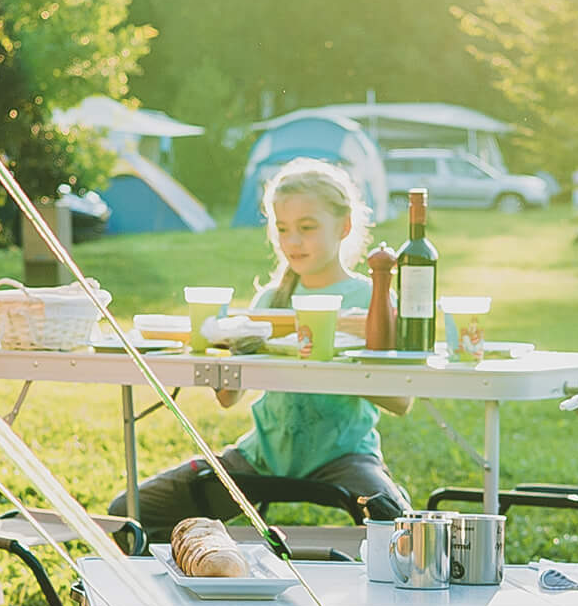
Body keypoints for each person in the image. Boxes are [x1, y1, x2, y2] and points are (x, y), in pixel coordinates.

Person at [114, 158, 413, 529]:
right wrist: (216, 350)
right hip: (261, 455)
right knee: (131, 513)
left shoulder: (371, 298)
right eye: (283, 229)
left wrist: (333, 360)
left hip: (345, 456)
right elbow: (229, 398)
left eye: (307, 227)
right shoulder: (271, 301)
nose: (293, 242)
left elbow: (401, 401)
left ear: (345, 226)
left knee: (401, 529)